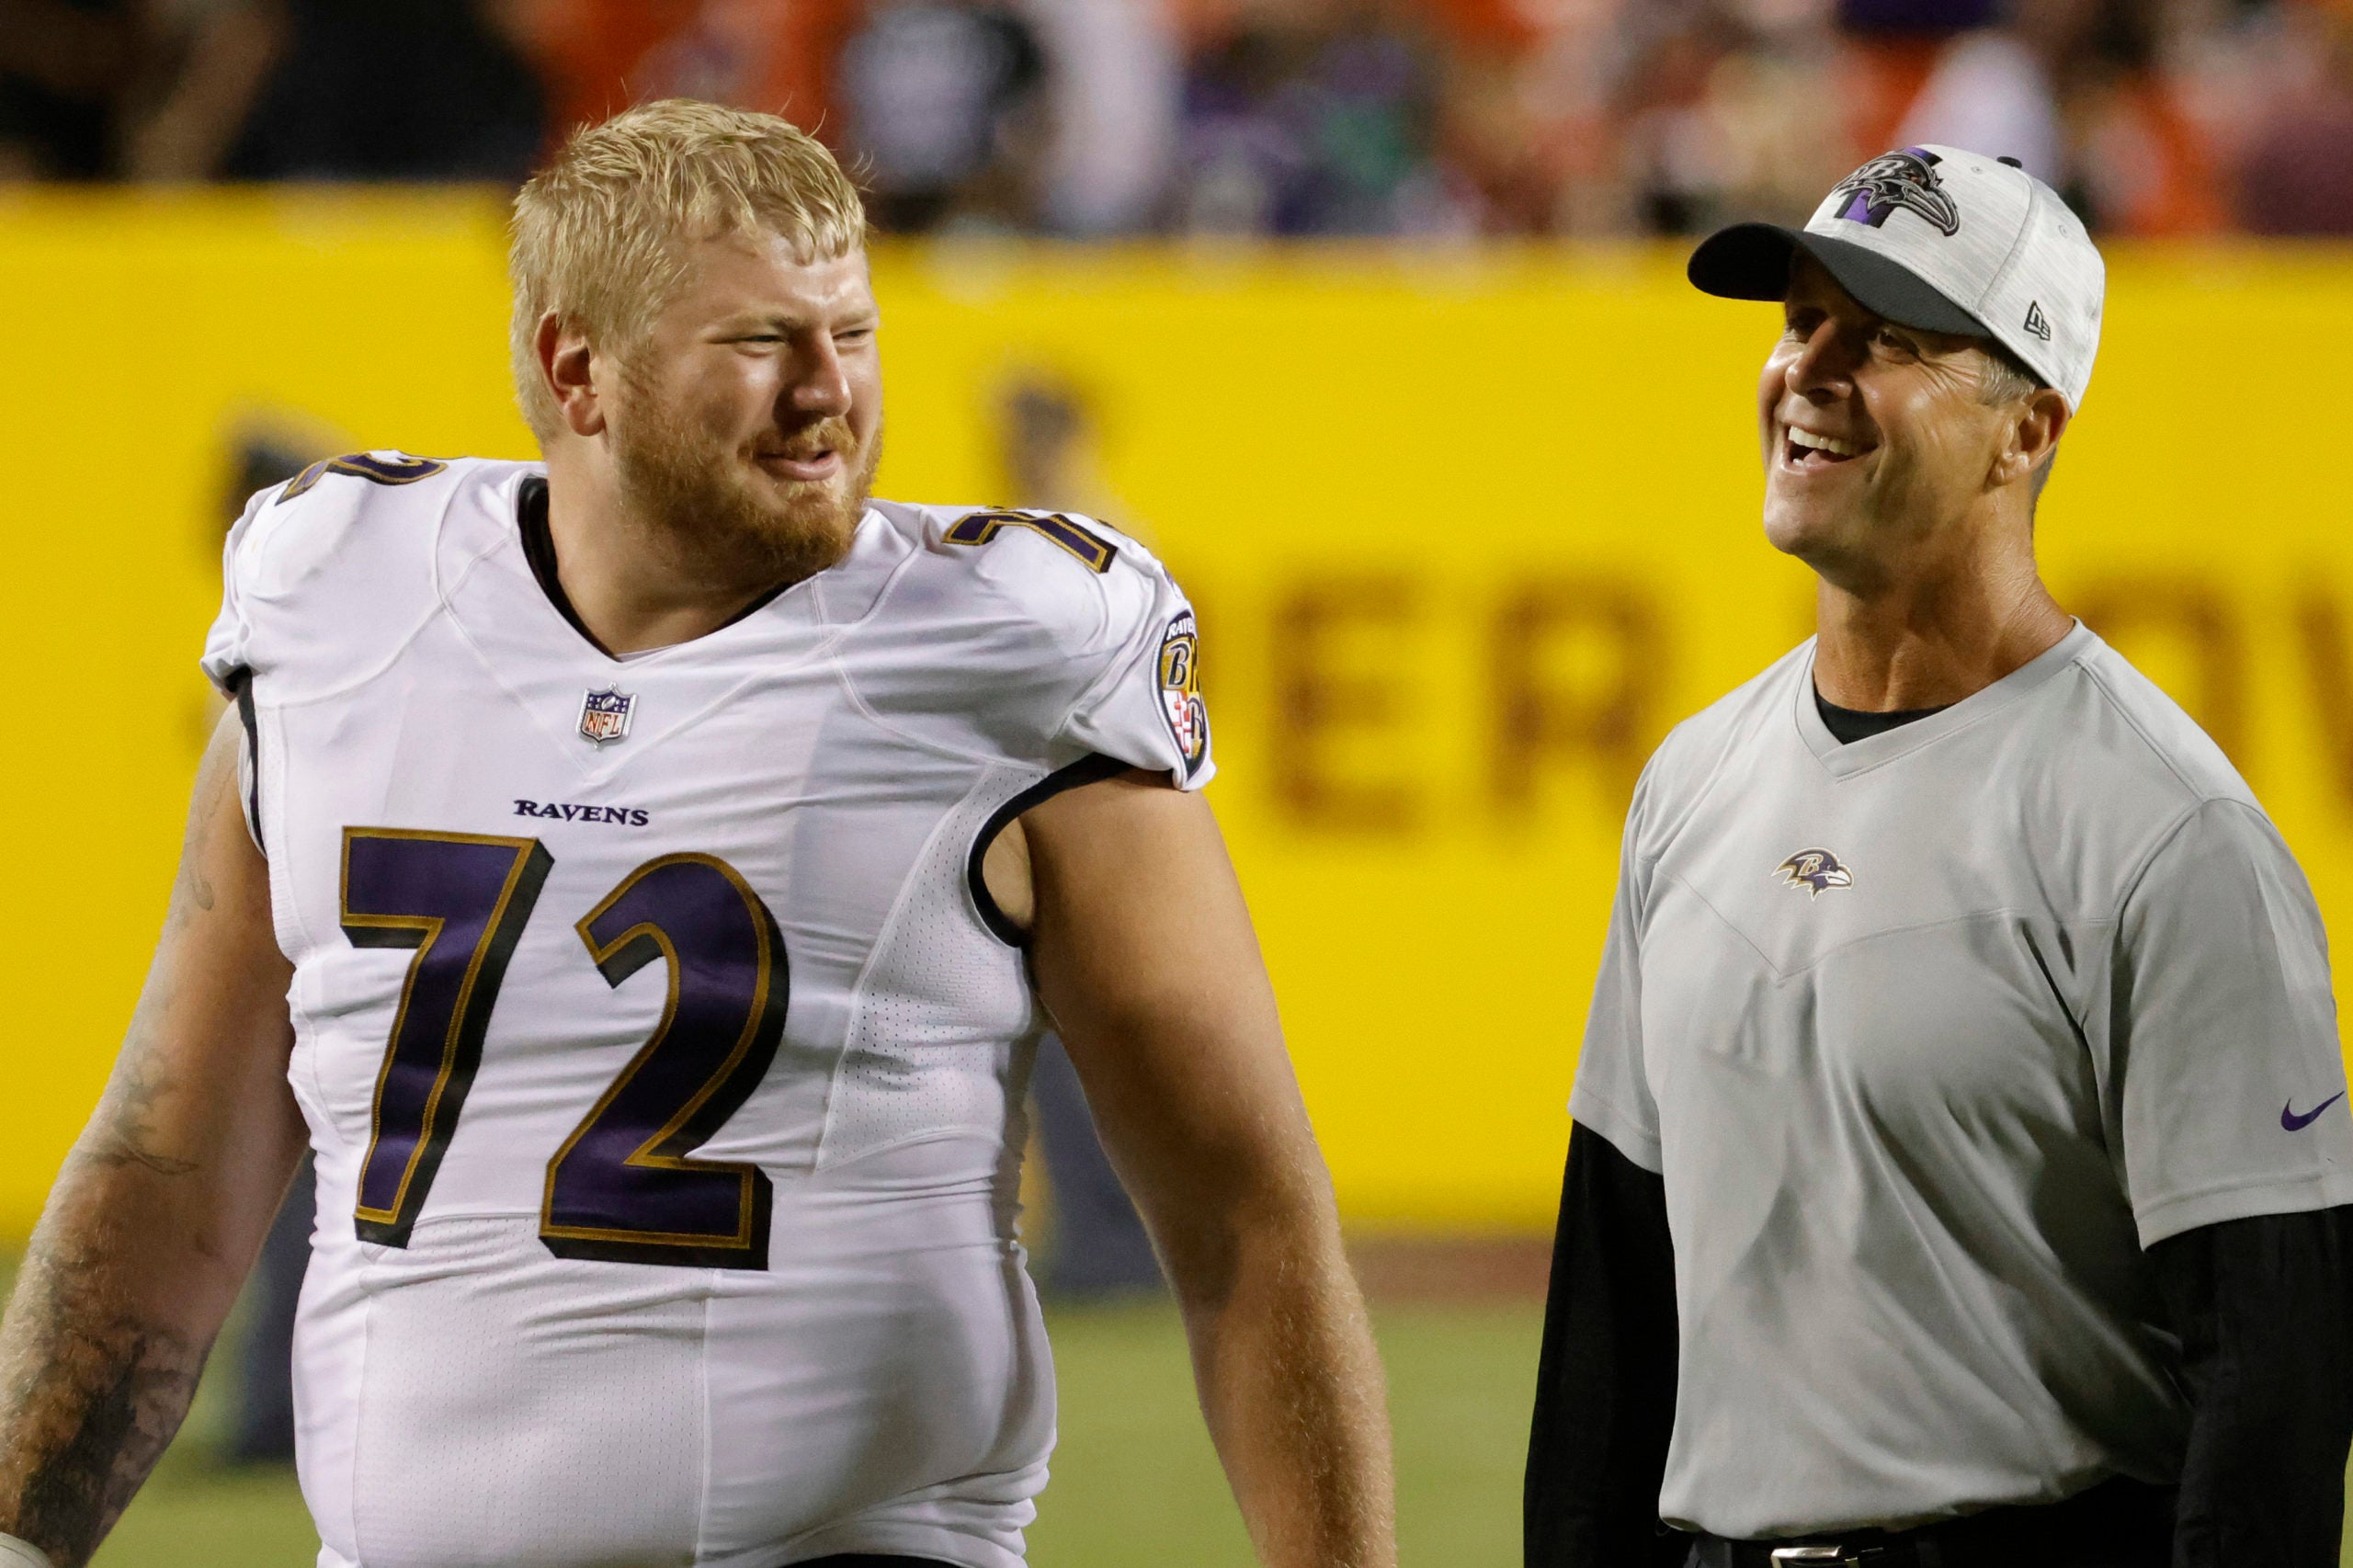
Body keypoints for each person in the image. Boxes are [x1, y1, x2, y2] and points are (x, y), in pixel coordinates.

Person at [0, 99, 1394, 1568]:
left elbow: (1248, 1222)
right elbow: (169, 1165)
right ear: (574, 366)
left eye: (850, 334)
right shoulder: (343, 605)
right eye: (757, 342)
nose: (826, 392)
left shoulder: (1007, 649)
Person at [1524, 144, 2353, 1566]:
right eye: (1800, 322)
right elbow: (1613, 1316)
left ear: (2027, 428)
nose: (1810, 371)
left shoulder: (2167, 830)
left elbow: (2273, 1373)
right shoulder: (1689, 782)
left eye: (1891, 341)